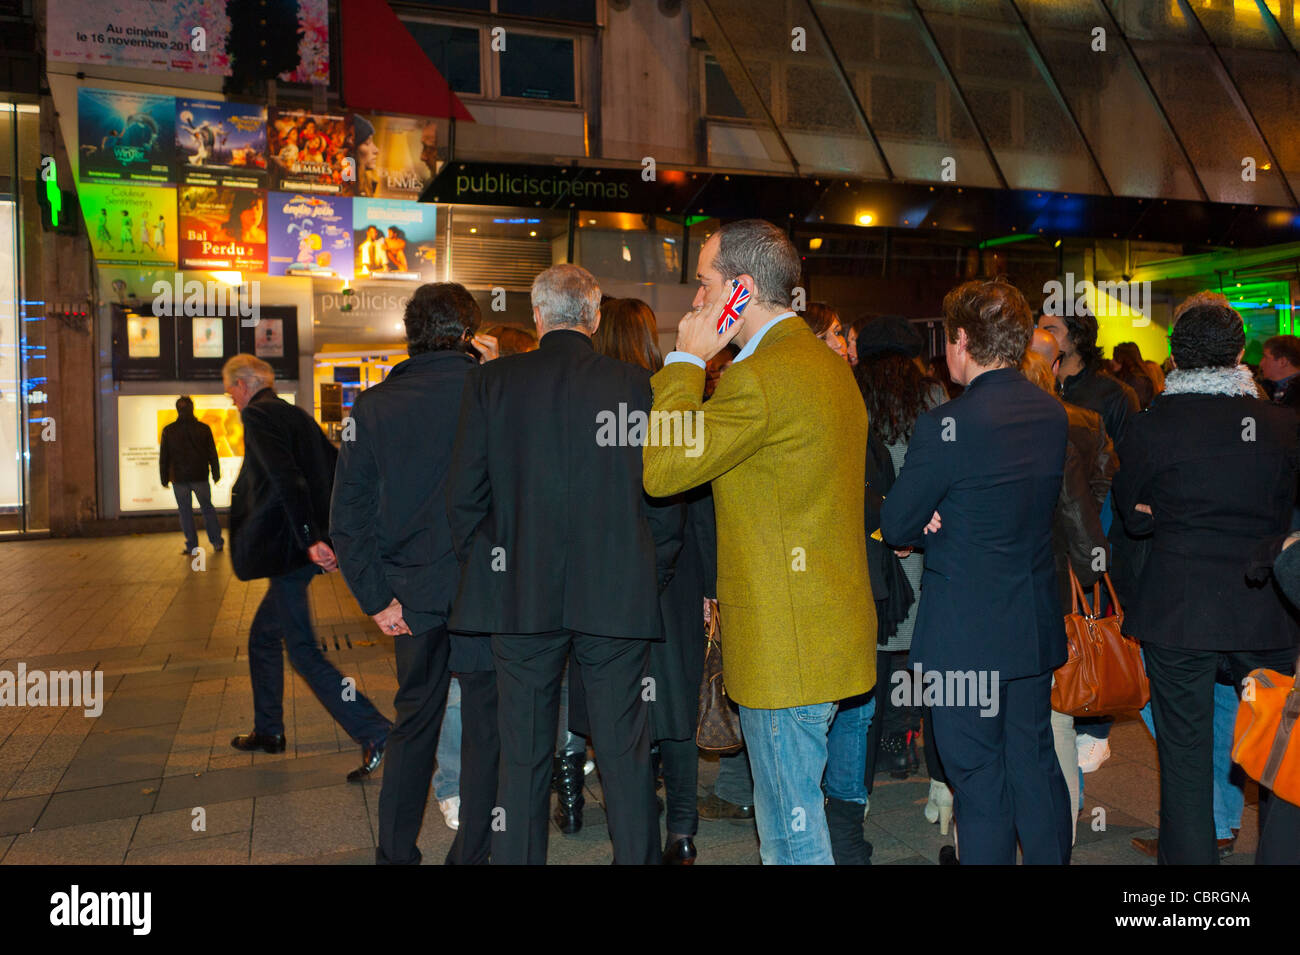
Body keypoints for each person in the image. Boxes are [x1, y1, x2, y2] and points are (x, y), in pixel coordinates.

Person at [643, 218, 875, 865]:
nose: (696, 300)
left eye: (704, 283)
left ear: (740, 291)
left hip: (785, 650)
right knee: (801, 818)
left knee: (791, 838)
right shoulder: (826, 364)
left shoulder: (760, 376)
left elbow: (663, 469)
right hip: (828, 634)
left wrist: (686, 361)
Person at [447, 264, 683, 866]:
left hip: (520, 596)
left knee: (522, 757)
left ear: (537, 316)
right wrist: (646, 574)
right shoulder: (640, 386)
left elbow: (464, 498)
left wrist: (495, 568)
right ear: (595, 316)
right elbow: (665, 502)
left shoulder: (491, 383)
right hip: (617, 594)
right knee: (625, 754)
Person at [881, 278, 1071, 865]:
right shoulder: (1052, 412)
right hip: (1031, 625)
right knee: (1034, 764)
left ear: (962, 340)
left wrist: (931, 521)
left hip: (965, 637)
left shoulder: (946, 425)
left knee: (979, 780)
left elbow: (896, 522)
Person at [1112, 291, 1299, 865]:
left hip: (1180, 607)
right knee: (1283, 751)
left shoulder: (1152, 425)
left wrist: (1164, 514)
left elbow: (1131, 514)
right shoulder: (1283, 424)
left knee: (1184, 758)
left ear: (1176, 357)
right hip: (1266, 605)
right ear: (1240, 354)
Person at [330, 283, 495, 865]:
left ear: (410, 336)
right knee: (486, 727)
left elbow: (347, 517)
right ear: (469, 333)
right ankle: (471, 852)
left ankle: (396, 853)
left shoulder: (373, 407)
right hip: (485, 593)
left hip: (412, 597)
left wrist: (377, 599)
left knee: (414, 724)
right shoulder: (491, 392)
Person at [223, 354, 392, 782]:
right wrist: (331, 535)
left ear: (243, 385)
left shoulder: (258, 416)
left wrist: (310, 539)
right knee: (263, 638)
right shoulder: (293, 414)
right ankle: (268, 730)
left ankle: (373, 729)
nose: (231, 400)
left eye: (230, 392)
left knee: (301, 649)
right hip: (298, 548)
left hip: (290, 551)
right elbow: (333, 469)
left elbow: (287, 479)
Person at [592, 297, 712, 864]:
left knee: (627, 705)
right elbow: (700, 501)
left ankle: (640, 814)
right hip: (677, 571)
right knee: (678, 700)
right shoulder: (672, 396)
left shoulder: (592, 401)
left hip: (613, 573)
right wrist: (710, 584)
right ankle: (682, 828)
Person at [853, 316, 949, 822]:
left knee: (868, 665)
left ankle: (857, 783)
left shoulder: (851, 394)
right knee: (922, 664)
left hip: (869, 550)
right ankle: (916, 756)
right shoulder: (932, 397)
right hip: (923, 543)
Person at [1022, 348, 1116, 846]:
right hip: (1053, 586)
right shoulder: (1075, 425)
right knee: (1057, 716)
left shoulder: (975, 428)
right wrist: (1085, 565)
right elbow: (1092, 499)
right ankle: (1062, 835)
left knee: (998, 718)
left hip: (996, 594)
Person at [160, 396, 224, 556]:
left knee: (185, 512)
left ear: (177, 410)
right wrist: (216, 473)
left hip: (179, 478)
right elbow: (212, 453)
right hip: (200, 475)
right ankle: (216, 542)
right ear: (192, 408)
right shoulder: (203, 428)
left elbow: (164, 457)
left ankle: (192, 546)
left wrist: (164, 477)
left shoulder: (169, 430)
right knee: (207, 509)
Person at [1112, 342, 1157, 410]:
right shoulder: (1127, 377)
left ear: (1125, 359)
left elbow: (1135, 408)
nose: (1112, 361)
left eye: (1116, 358)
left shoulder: (1138, 381)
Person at [1260, 334, 1300, 410]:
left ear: (1282, 362)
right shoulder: (1267, 387)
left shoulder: (1295, 395)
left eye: (1265, 357)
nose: (1261, 363)